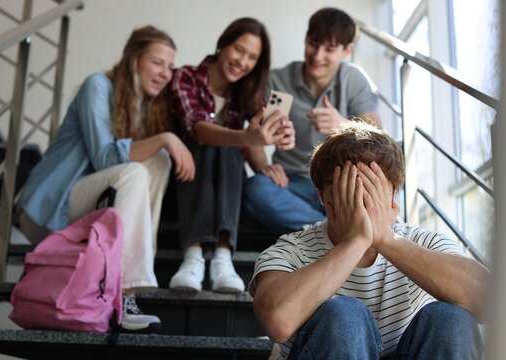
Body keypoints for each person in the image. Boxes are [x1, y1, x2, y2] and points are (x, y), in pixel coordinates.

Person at [250, 121, 489, 359]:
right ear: (324, 199)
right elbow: (278, 321)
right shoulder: (293, 249)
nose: (361, 205)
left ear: (393, 196)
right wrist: (355, 242)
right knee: (344, 315)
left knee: (450, 319)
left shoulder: (422, 242)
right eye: (349, 194)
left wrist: (386, 239)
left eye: (372, 193)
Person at [16, 25, 195, 332]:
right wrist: (165, 137)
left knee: (160, 162)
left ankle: (124, 286)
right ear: (133, 59)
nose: (166, 73)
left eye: (170, 66)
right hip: (54, 206)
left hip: (93, 208)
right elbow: (104, 159)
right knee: (140, 166)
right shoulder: (97, 86)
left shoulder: (146, 107)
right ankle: (121, 290)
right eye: (157, 62)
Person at [169, 17, 295, 294]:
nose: (242, 61)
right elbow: (198, 129)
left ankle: (223, 257)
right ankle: (193, 256)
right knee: (215, 138)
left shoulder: (246, 94)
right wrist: (243, 137)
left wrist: (273, 151)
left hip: (222, 182)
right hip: (183, 179)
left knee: (229, 146)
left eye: (252, 57)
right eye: (239, 50)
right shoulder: (185, 77)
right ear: (222, 44)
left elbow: (259, 133)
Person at [244, 7, 382, 232]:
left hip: (341, 184)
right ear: (306, 38)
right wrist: (264, 166)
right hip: (290, 183)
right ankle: (334, 232)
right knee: (256, 189)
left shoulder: (355, 80)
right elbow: (255, 136)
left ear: (347, 50)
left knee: (371, 192)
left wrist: (343, 126)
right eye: (313, 43)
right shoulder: (277, 81)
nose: (317, 56)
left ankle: (325, 230)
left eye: (329, 49)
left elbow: (379, 139)